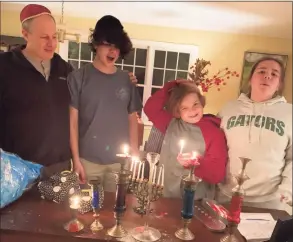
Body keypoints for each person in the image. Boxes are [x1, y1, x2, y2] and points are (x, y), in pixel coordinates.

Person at [68, 15, 142, 190]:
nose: (113, 51)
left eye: (116, 47)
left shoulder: (127, 80)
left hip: (120, 164)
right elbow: (72, 123)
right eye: (107, 44)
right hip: (87, 162)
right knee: (85, 213)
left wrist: (135, 155)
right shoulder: (78, 77)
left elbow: (133, 119)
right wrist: (76, 160)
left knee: (115, 214)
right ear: (95, 44)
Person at [0, 4, 73, 176]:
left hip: (59, 168)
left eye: (55, 36)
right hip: (17, 169)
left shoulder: (66, 70)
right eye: (44, 37)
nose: (52, 43)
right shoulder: (4, 66)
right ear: (25, 34)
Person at [218, 57, 292, 214]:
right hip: (226, 196)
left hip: (270, 201)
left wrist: (286, 190)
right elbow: (217, 148)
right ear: (250, 78)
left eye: (274, 74)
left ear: (279, 84)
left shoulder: (289, 114)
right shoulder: (228, 109)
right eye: (262, 71)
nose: (267, 76)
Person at [144, 80, 227, 199]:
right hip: (165, 196)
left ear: (202, 102)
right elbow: (150, 108)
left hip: (195, 200)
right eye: (184, 108)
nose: (192, 111)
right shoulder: (171, 124)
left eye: (195, 104)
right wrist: (171, 86)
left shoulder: (214, 133)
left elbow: (217, 174)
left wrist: (196, 164)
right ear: (177, 111)